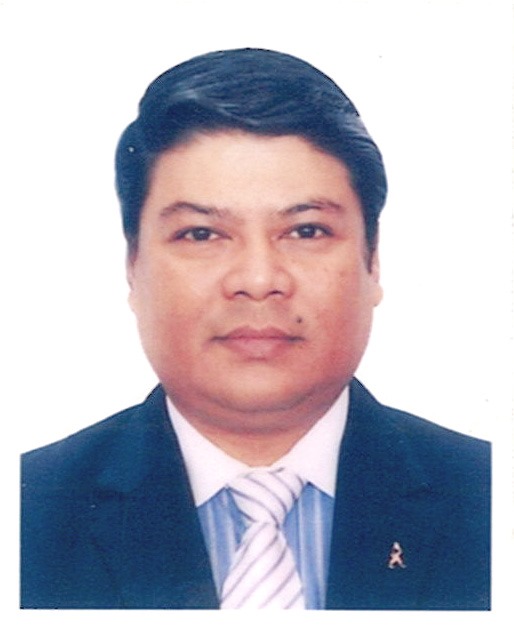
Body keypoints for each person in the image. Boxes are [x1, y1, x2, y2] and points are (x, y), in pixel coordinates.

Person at [20, 48, 490, 610]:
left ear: (373, 262)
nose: (259, 280)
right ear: (133, 266)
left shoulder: (490, 499)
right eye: (201, 234)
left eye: (307, 230)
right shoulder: (25, 514)